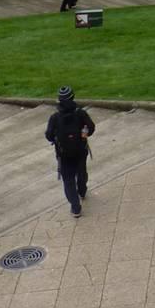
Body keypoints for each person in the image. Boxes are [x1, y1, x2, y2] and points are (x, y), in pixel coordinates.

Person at [45, 86, 95, 217]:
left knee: (68, 180)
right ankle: (82, 191)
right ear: (73, 97)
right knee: (81, 172)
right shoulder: (80, 113)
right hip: (80, 151)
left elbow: (49, 135)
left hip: (63, 155)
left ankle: (75, 207)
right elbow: (91, 127)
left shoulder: (54, 118)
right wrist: (84, 133)